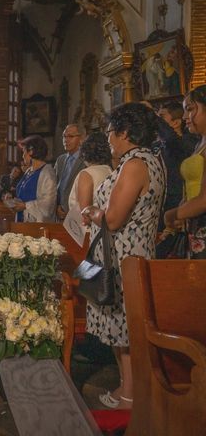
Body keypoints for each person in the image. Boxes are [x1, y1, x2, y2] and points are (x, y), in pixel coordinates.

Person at [82, 103, 165, 410]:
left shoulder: (134, 165)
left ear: (125, 132)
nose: (108, 139)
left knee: (124, 327)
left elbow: (114, 219)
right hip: (128, 251)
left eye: (111, 132)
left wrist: (90, 211)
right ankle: (128, 388)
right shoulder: (148, 160)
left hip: (123, 257)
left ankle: (130, 393)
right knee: (124, 328)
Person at [164, 85, 206, 259]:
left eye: (190, 110)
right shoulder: (199, 143)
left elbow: (204, 199)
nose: (186, 118)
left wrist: (173, 214)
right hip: (195, 224)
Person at [155, 101, 199, 257]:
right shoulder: (158, 146)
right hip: (165, 208)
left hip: (182, 209)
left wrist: (152, 116)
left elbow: (171, 140)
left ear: (175, 122)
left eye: (161, 117)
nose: (157, 121)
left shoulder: (188, 143)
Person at [68, 132, 112, 227]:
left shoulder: (87, 174)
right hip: (104, 228)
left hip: (87, 233)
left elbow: (84, 215)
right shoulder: (109, 170)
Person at [12, 135, 57, 222]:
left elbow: (49, 204)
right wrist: (14, 203)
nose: (23, 156)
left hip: (36, 224)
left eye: (24, 151)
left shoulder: (47, 172)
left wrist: (25, 206)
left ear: (31, 151)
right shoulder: (29, 170)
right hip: (21, 219)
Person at [55, 123, 86, 221]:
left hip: (79, 216)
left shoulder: (86, 159)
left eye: (70, 136)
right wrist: (57, 206)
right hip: (59, 215)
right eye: (64, 136)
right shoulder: (60, 160)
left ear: (81, 139)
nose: (66, 140)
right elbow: (56, 187)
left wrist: (72, 212)